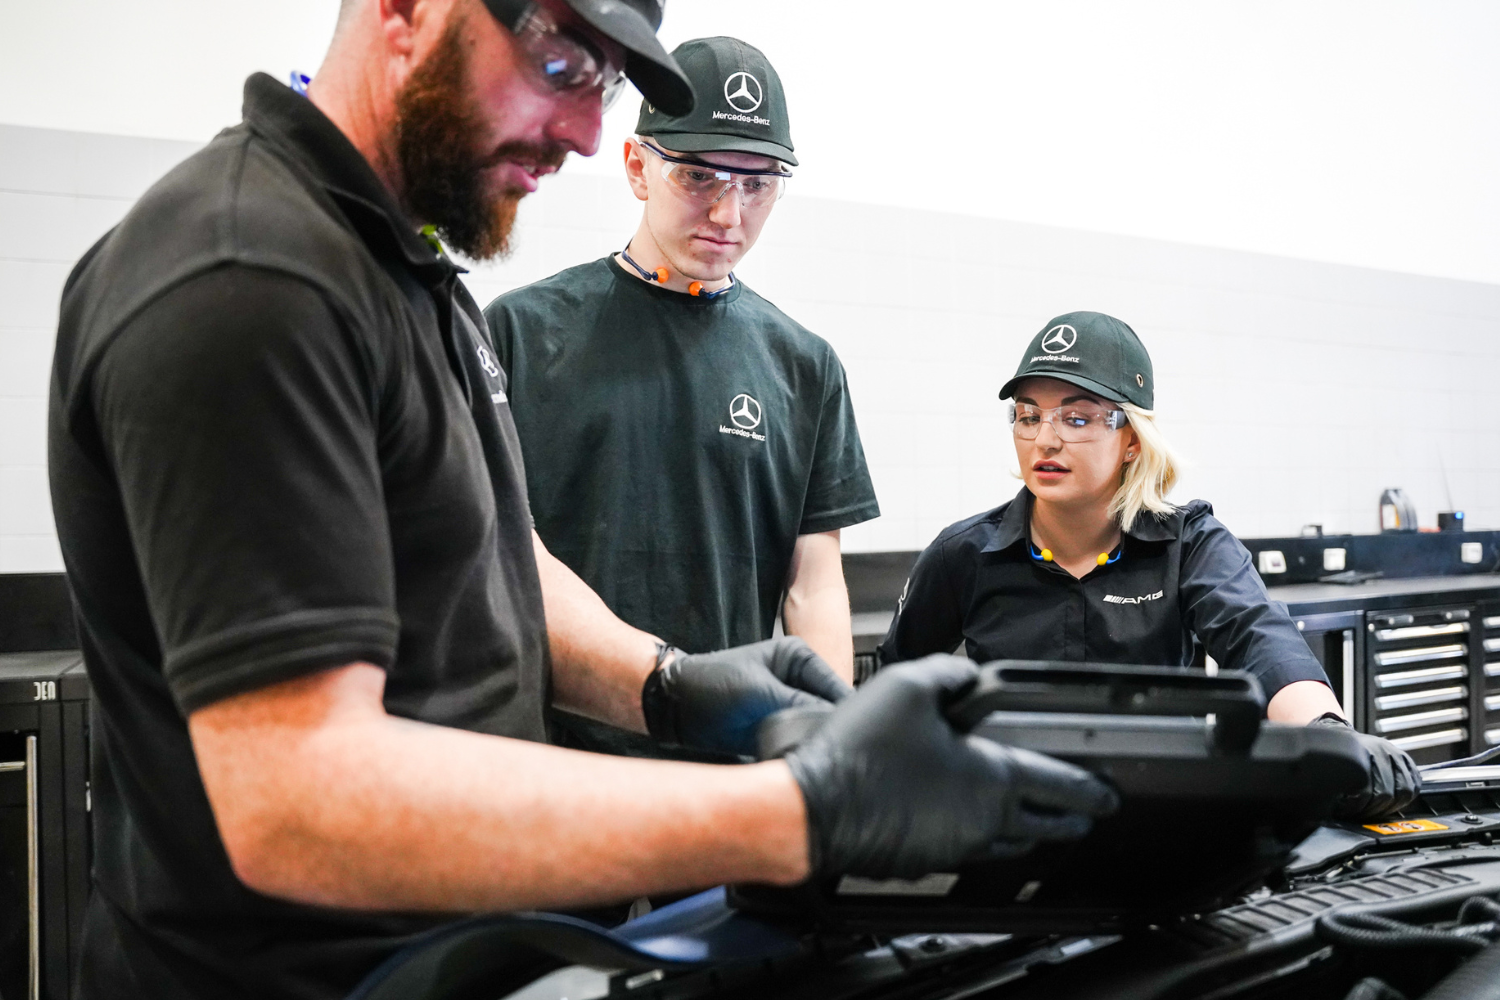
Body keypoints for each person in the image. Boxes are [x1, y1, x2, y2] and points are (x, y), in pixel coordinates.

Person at [46, 2, 1118, 997]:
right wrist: (795, 812)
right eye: (559, 62)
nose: (586, 135)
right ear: (406, 11)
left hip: (466, 948)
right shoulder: (250, 278)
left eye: (601, 86)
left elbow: (497, 562)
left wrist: (666, 684)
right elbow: (299, 803)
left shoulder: (408, 274)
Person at [484, 37, 877, 760]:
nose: (729, 213)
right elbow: (496, 554)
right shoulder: (519, 332)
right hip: (555, 754)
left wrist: (835, 745)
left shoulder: (805, 366)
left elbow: (813, 588)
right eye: (700, 176)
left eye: (758, 184)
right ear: (638, 167)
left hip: (729, 756)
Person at [878, 311, 1420, 819]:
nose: (1045, 438)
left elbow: (1261, 641)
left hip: (1160, 820)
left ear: (1132, 440)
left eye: (1077, 417)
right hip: (1006, 823)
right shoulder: (964, 555)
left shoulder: (1188, 545)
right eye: (1028, 416)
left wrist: (1330, 737)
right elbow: (891, 690)